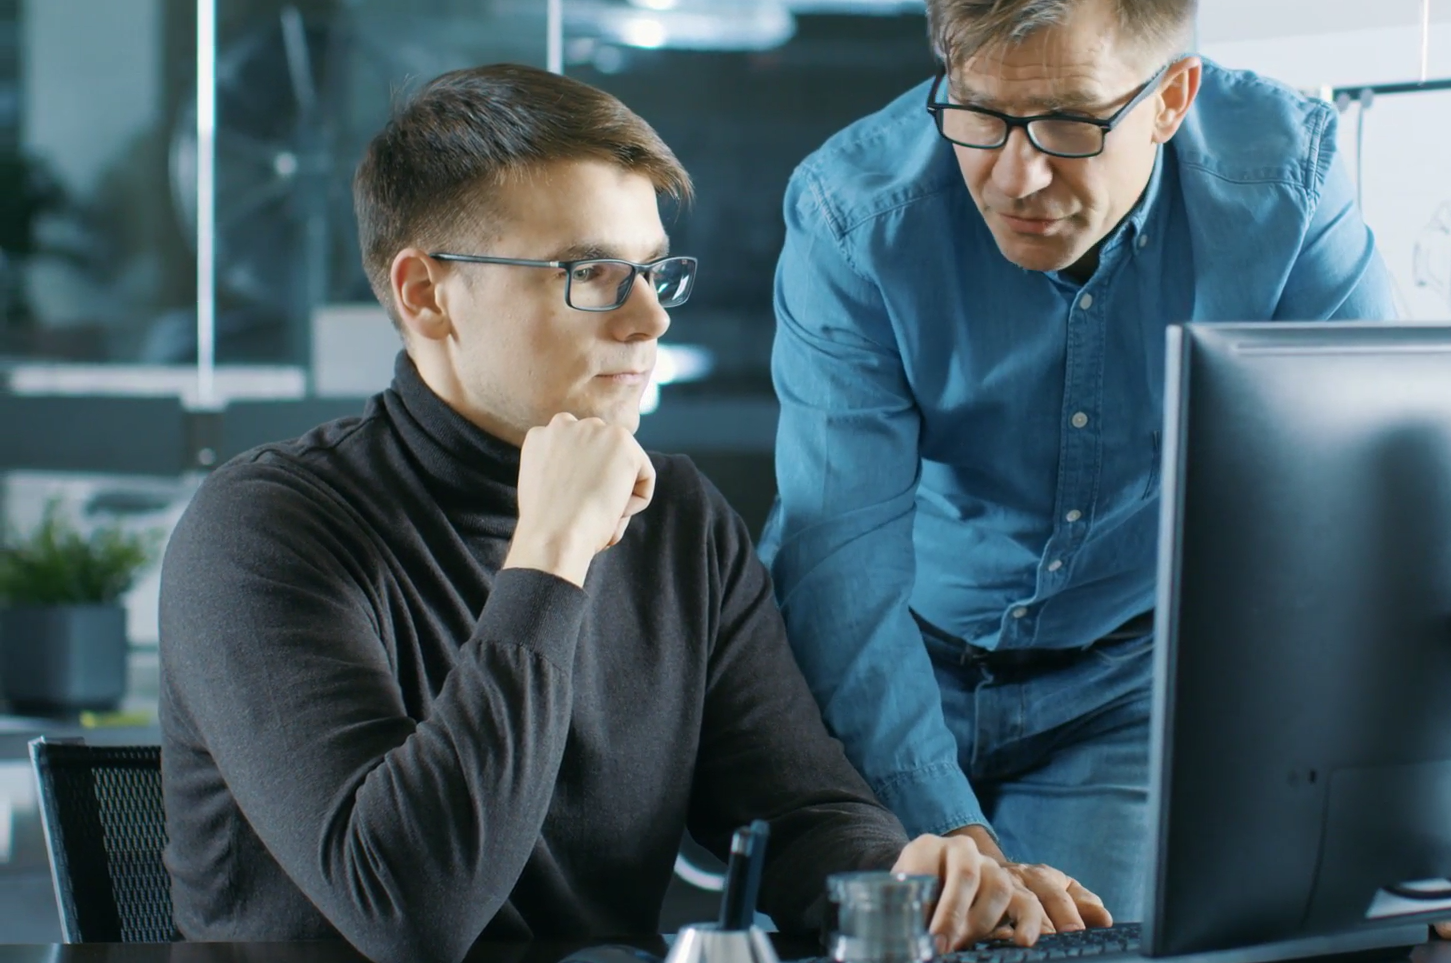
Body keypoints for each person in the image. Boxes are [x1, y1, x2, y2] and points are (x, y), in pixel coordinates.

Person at [759, 0, 1451, 943]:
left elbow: (1390, 504)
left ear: (1172, 97)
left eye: (1071, 123)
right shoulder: (854, 217)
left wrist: (1450, 822)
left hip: (1119, 682)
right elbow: (837, 558)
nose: (1017, 176)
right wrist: (946, 824)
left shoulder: (1284, 183)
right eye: (981, 115)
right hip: (887, 660)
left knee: (1089, 951)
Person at [158, 64, 1051, 963]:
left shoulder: (678, 519)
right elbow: (411, 911)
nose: (650, 320)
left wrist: (907, 884)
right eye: (590, 273)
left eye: (654, 271)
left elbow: (797, 810)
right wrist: (549, 556)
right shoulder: (263, 532)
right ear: (426, 294)